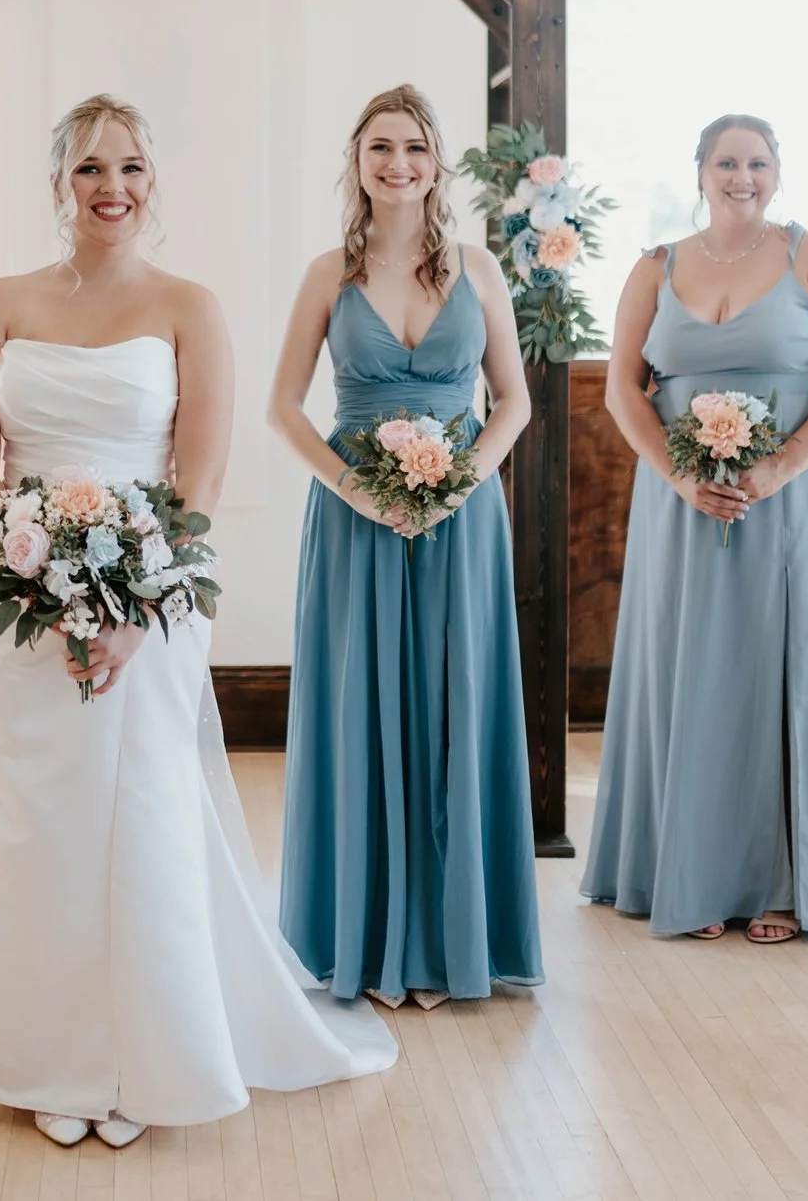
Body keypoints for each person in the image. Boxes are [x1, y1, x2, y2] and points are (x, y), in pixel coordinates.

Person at [0, 93, 395, 1149]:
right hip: (23, 597)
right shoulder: (1, 302)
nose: (112, 188)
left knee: (141, 813)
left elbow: (200, 477)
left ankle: (143, 1055)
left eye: (131, 168)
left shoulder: (189, 306)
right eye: (91, 168)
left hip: (155, 596)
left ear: (152, 183)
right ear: (59, 184)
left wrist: (135, 608)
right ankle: (43, 1054)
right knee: (32, 816)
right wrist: (33, 574)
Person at [580, 114, 808, 942]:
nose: (742, 176)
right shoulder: (654, 266)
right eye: (726, 162)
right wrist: (678, 476)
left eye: (758, 163)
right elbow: (623, 389)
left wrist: (779, 468)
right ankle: (694, 875)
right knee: (694, 671)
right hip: (683, 503)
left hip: (800, 498)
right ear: (699, 172)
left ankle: (788, 884)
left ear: (777, 173)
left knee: (794, 669)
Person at [268, 85, 543, 1008]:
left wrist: (459, 485)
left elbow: (513, 402)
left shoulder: (481, 269)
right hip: (357, 521)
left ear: (437, 163)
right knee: (364, 710)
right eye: (380, 147)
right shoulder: (328, 275)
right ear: (357, 162)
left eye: (415, 147)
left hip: (464, 518)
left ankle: (450, 943)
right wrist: (357, 490)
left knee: (456, 707)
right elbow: (282, 409)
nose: (398, 163)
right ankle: (372, 939)